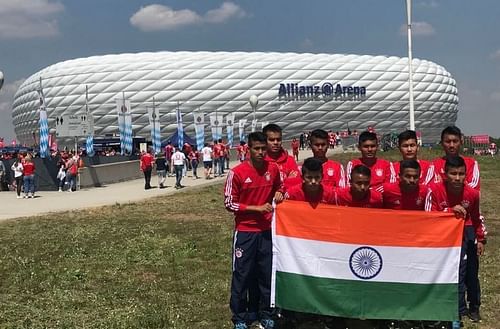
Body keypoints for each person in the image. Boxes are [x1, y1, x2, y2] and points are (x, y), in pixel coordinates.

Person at [224, 132, 284, 329]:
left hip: (267, 231)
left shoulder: (273, 169)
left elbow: (281, 186)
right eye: (256, 149)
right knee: (242, 274)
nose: (260, 152)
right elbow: (229, 203)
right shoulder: (237, 173)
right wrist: (255, 208)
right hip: (245, 232)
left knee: (265, 274)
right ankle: (240, 317)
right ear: (248, 150)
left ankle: (265, 312)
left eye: (263, 149)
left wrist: (280, 192)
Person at [425, 156, 485, 326]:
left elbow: (476, 217)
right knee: (453, 272)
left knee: (471, 272)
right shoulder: (435, 190)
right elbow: (429, 215)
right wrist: (450, 211)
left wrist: (481, 238)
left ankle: (474, 306)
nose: (457, 178)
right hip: (443, 234)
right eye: (453, 174)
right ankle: (455, 310)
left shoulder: (472, 193)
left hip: (466, 231)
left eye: (461, 174)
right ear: (445, 174)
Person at [262, 123, 301, 190]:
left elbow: (296, 182)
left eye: (278, 139)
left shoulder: (289, 160)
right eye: (271, 140)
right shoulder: (261, 161)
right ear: (264, 141)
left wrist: (280, 189)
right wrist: (287, 181)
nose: (276, 142)